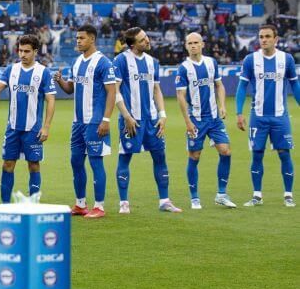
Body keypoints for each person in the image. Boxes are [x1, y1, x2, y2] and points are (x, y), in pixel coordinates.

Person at [112, 28, 181, 214]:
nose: (147, 41)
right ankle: (124, 203)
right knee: (125, 157)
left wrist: (162, 114)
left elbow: (156, 90)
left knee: (160, 157)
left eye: (146, 37)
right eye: (142, 40)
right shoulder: (121, 61)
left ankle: (164, 201)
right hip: (131, 120)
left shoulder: (153, 62)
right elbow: (115, 91)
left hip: (152, 120)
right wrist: (126, 116)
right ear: (133, 45)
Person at [54, 24, 117, 219]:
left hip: (95, 122)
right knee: (76, 161)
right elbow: (70, 89)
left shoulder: (103, 63)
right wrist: (60, 80)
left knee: (95, 162)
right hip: (78, 122)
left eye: (81, 38)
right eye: (77, 38)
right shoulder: (77, 62)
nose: (78, 41)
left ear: (92, 39)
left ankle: (99, 206)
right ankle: (80, 204)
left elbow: (112, 92)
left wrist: (105, 119)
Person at [235, 24, 300, 207]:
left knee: (284, 154)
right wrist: (239, 112)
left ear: (275, 39)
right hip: (258, 116)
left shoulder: (286, 59)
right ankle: (257, 195)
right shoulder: (250, 59)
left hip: (280, 117)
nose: (263, 40)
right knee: (257, 154)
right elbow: (242, 87)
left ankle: (288, 195)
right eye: (261, 37)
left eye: (267, 36)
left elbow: (295, 85)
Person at [175, 32, 236, 209]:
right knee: (195, 155)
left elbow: (219, 85)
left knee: (225, 151)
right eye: (190, 43)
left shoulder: (211, 62)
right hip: (196, 120)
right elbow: (180, 96)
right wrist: (188, 122)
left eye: (196, 42)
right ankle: (194, 197)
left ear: (202, 44)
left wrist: (222, 105)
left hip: (214, 118)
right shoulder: (184, 68)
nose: (193, 45)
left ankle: (221, 194)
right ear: (186, 46)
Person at [0, 35, 56, 203]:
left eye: (27, 51)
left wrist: (46, 126)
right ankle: (6, 205)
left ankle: (34, 203)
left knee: (33, 165)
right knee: (7, 164)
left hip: (33, 129)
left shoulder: (43, 72)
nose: (22, 54)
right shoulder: (11, 70)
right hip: (13, 128)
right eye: (20, 50)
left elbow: (51, 100)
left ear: (35, 51)